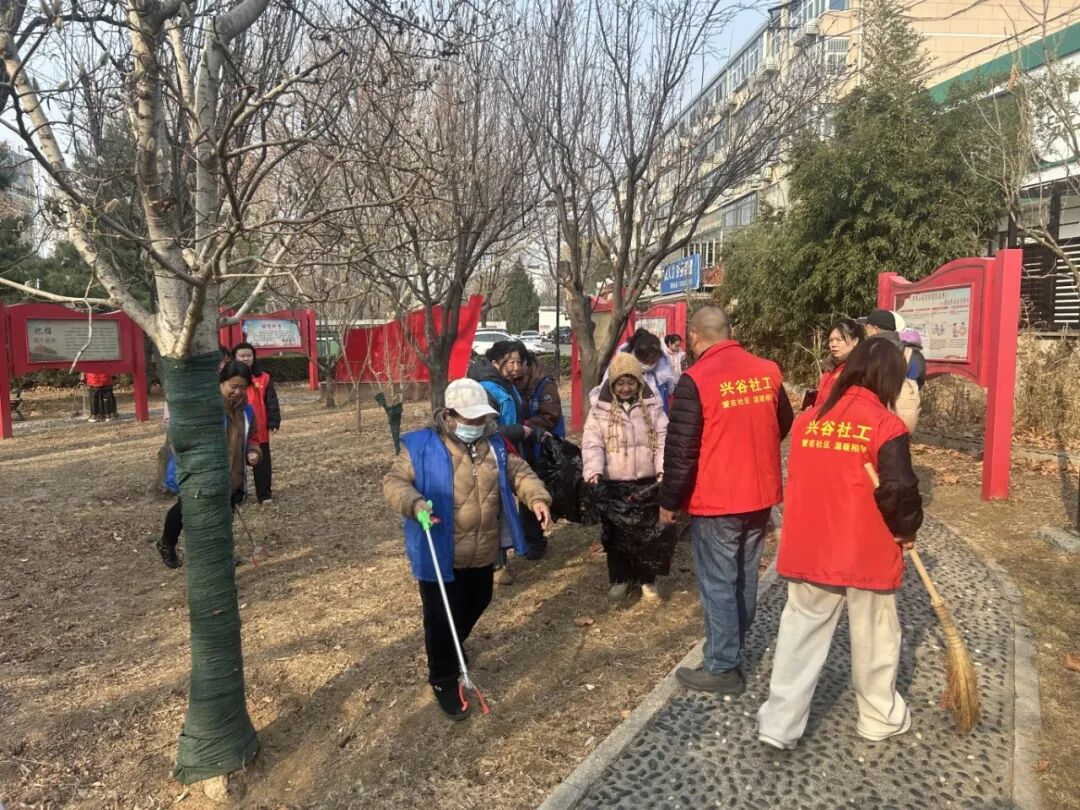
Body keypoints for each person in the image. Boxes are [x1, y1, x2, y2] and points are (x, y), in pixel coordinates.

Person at [757, 338, 923, 750]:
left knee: (799, 635)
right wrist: (907, 530)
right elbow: (899, 490)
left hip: (811, 545)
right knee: (876, 637)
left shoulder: (808, 421)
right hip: (866, 549)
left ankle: (779, 724)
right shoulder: (886, 426)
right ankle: (878, 717)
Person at [382, 378, 552, 720]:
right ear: (448, 415)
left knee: (479, 598)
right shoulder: (421, 446)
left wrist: (536, 497)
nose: (476, 424)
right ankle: (443, 678)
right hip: (438, 547)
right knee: (439, 615)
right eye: (469, 418)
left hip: (482, 547)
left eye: (481, 418)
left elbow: (520, 473)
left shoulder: (495, 445)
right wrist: (414, 503)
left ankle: (451, 645)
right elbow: (394, 481)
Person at [660, 306, 794, 695]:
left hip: (717, 499)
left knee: (718, 582)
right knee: (744, 577)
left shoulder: (696, 379)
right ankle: (732, 646)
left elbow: (681, 451)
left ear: (694, 337)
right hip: (759, 495)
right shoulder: (767, 371)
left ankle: (722, 666)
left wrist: (668, 501)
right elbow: (783, 421)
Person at [582, 353, 671, 602]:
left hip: (646, 483)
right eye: (620, 383)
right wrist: (593, 470)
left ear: (639, 382)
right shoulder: (600, 410)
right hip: (614, 482)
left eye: (630, 382)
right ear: (612, 383)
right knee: (616, 534)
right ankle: (619, 578)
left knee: (647, 534)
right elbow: (592, 443)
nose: (625, 388)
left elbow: (663, 439)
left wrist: (662, 468)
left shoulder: (652, 406)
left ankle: (646, 579)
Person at [156, 361, 262, 568]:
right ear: (221, 383)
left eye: (243, 387)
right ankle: (167, 543)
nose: (238, 392)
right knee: (184, 509)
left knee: (225, 516)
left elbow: (253, 438)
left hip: (232, 475)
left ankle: (222, 554)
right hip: (202, 474)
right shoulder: (207, 408)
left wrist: (253, 452)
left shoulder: (246, 411)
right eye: (233, 386)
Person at [469, 341, 530, 582]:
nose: (516, 367)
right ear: (495, 363)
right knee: (491, 509)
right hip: (489, 455)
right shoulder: (486, 389)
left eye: (518, 362)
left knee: (502, 508)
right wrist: (519, 431)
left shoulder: (506, 384)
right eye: (510, 362)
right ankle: (494, 566)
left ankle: (499, 560)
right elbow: (487, 428)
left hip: (507, 452)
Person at [515, 350, 565, 560]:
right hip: (525, 448)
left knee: (539, 492)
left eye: (519, 364)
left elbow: (550, 416)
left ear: (528, 364)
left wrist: (524, 426)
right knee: (525, 494)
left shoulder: (545, 386)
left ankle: (537, 540)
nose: (515, 370)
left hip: (543, 450)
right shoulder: (518, 385)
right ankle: (529, 538)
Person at [858, 309, 925, 431]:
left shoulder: (867, 350)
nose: (866, 332)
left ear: (876, 329)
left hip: (871, 418)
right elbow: (917, 381)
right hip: (901, 418)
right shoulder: (912, 352)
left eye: (867, 327)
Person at [232, 342, 280, 504]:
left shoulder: (264, 377)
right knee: (236, 462)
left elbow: (271, 401)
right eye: (242, 356)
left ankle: (264, 494)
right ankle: (236, 495)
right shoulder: (229, 378)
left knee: (262, 462)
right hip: (236, 427)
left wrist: (274, 421)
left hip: (259, 428)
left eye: (249, 355)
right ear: (235, 358)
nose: (246, 358)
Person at [601, 328, 676, 414]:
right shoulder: (619, 365)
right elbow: (603, 393)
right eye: (648, 361)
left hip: (656, 415)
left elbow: (670, 388)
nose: (650, 365)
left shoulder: (662, 366)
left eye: (653, 360)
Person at [814, 318, 864, 407]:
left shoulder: (857, 370)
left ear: (855, 341)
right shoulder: (830, 367)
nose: (833, 344)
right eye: (831, 340)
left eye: (839, 340)